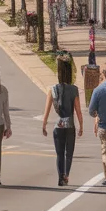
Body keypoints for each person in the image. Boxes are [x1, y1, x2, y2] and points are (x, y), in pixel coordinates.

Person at [41, 55, 83, 186]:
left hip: (58, 125)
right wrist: (81, 125)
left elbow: (47, 110)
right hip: (70, 124)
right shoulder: (74, 90)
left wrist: (44, 124)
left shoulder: (52, 90)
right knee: (68, 153)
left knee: (59, 153)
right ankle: (66, 175)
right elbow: (78, 110)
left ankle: (60, 176)